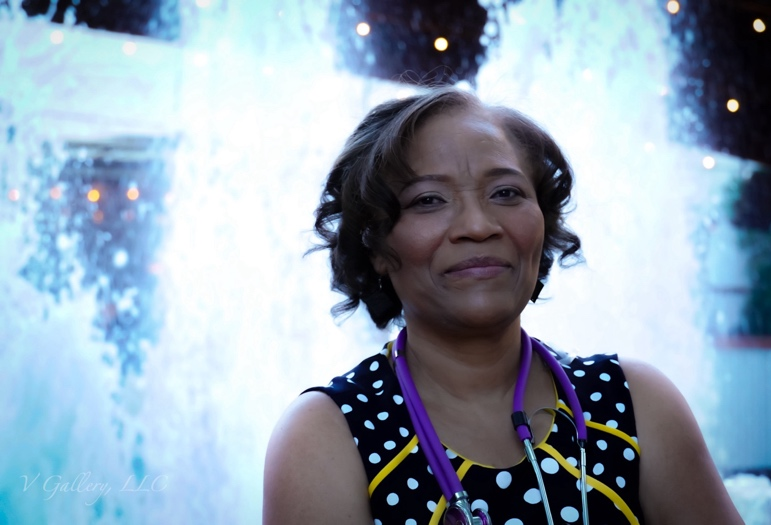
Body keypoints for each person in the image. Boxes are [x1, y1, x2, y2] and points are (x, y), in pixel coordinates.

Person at [263, 87, 743, 524]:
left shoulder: (636, 404)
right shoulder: (326, 436)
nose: (478, 225)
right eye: (428, 200)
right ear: (376, 248)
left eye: (506, 193)